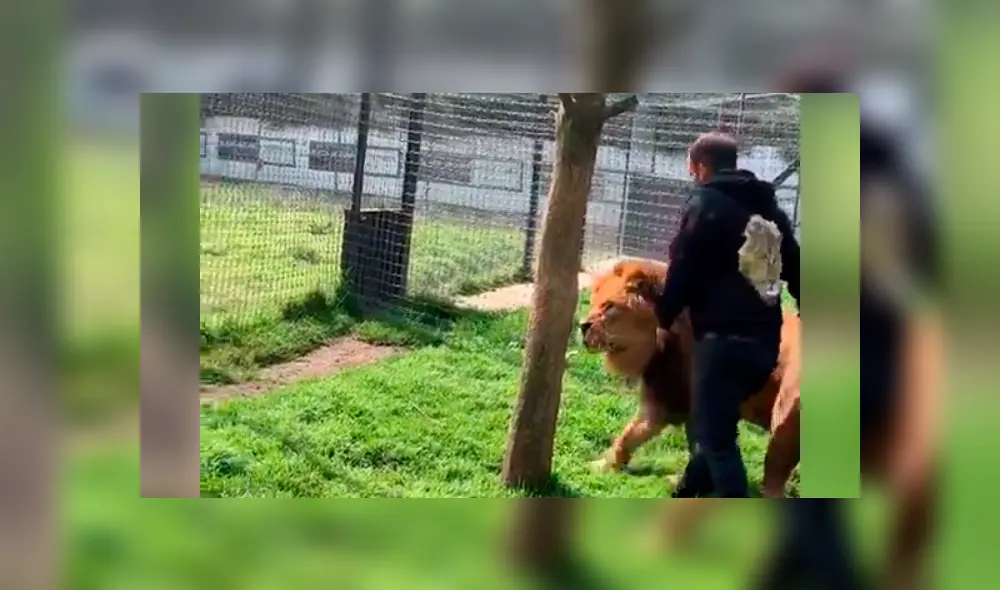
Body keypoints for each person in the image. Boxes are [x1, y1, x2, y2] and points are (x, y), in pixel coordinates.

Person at [653, 130, 801, 498]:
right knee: (715, 421)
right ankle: (688, 492)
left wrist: (663, 318)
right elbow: (796, 266)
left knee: (715, 438)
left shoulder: (704, 203)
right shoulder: (769, 209)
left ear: (700, 167)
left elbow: (681, 265)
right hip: (765, 344)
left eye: (691, 170)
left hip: (721, 342)